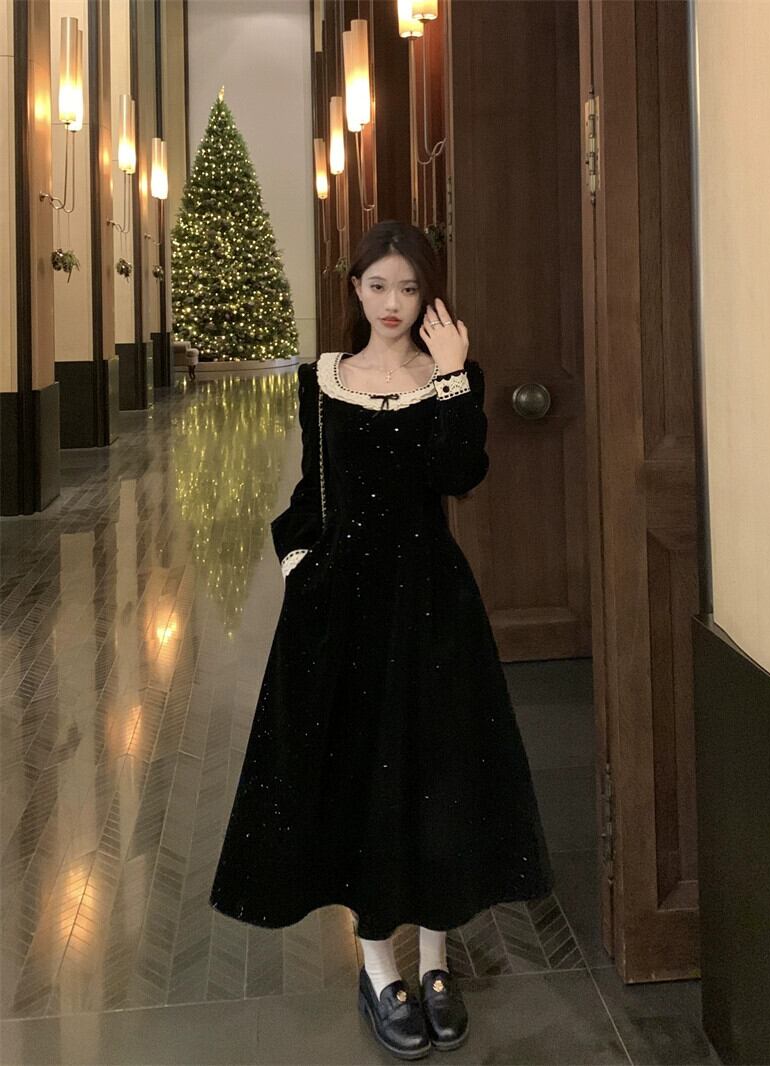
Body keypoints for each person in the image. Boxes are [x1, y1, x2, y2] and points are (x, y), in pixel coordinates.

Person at [209, 219, 554, 1060]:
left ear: (428, 292)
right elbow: (313, 492)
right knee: (360, 778)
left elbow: (459, 477)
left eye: (408, 287)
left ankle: (435, 963)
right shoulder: (322, 379)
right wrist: (301, 565)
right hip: (343, 613)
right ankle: (378, 966)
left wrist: (452, 379)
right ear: (355, 289)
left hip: (433, 605)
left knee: (438, 776)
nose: (392, 303)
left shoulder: (452, 375)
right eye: (377, 286)